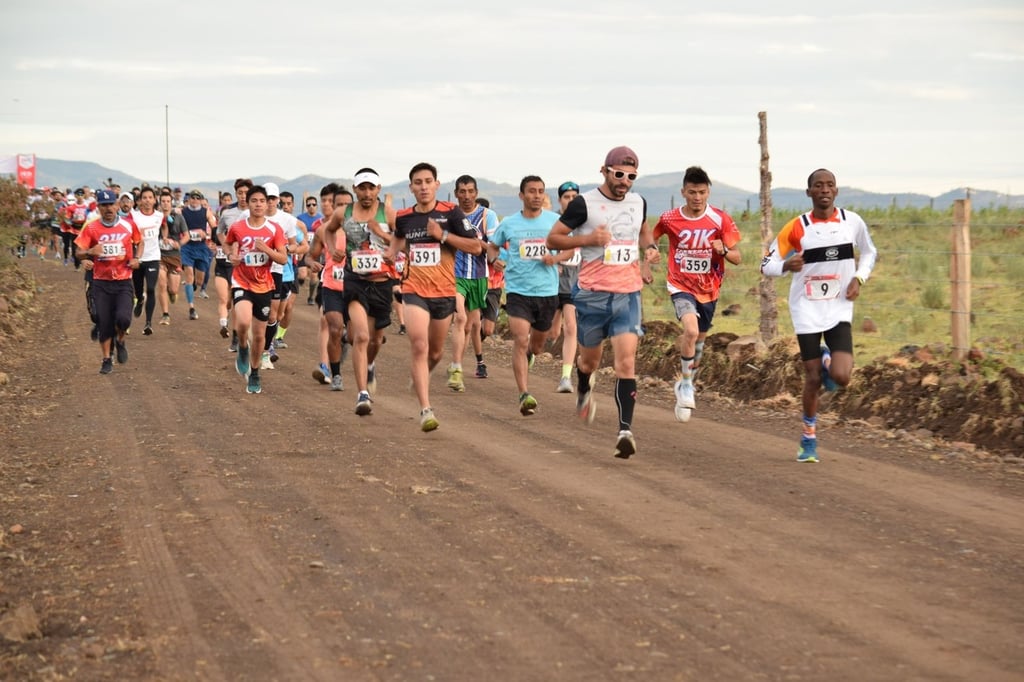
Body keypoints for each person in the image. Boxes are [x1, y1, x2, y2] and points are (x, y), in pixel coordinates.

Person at [546, 146, 659, 459]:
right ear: (605, 171)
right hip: (592, 295)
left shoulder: (639, 202)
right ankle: (584, 385)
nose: (625, 181)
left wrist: (648, 249)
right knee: (590, 362)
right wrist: (587, 240)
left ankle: (625, 431)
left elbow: (644, 230)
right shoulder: (584, 203)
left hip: (628, 294)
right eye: (619, 174)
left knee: (626, 363)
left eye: (631, 176)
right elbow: (553, 239)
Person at [761, 168, 877, 462]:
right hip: (806, 308)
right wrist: (787, 266)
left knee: (841, 377)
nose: (824, 190)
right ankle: (808, 438)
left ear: (836, 191)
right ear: (809, 192)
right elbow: (766, 264)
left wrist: (858, 278)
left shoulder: (852, 222)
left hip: (838, 307)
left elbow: (869, 252)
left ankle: (828, 358)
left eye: (830, 185)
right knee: (812, 378)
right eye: (818, 186)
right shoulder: (796, 228)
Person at [384, 162, 482, 432]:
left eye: (428, 181)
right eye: (418, 182)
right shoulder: (404, 217)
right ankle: (426, 409)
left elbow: (475, 246)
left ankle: (421, 376)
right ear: (411, 187)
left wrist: (444, 235)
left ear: (437, 185)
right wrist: (389, 253)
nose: (423, 186)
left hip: (444, 291)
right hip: (414, 289)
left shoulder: (450, 213)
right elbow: (397, 242)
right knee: (419, 344)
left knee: (436, 352)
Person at [652, 166, 742, 422]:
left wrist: (723, 250)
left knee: (699, 341)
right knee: (690, 332)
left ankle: (683, 382)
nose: (697, 197)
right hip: (680, 285)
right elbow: (651, 236)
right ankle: (688, 385)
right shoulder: (670, 218)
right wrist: (650, 252)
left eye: (702, 192)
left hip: (709, 288)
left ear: (708, 192)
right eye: (692, 192)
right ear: (683, 192)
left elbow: (737, 257)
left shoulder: (720, 219)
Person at [320, 168, 397, 412]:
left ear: (378, 189)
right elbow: (328, 230)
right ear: (355, 189)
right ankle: (362, 394)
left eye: (371, 187)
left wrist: (382, 235)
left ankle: (370, 364)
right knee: (361, 336)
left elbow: (401, 240)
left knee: (376, 339)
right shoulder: (345, 212)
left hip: (382, 282)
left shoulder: (389, 213)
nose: (366, 192)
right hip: (355, 282)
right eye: (362, 187)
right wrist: (333, 250)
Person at [487, 176, 560, 415]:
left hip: (548, 292)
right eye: (531, 191)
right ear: (522, 195)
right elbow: (492, 246)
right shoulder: (509, 223)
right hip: (518, 292)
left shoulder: (555, 221)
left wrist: (556, 258)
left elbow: (570, 249)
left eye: (540, 191)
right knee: (520, 339)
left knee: (537, 346)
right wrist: (494, 259)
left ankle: (530, 355)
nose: (537, 195)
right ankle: (524, 394)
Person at [224, 185, 288, 394]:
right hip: (242, 281)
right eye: (254, 201)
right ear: (248, 204)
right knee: (242, 321)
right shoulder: (238, 227)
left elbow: (283, 258)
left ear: (268, 203)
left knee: (260, 336)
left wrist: (266, 249)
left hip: (264, 285)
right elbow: (228, 245)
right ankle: (242, 346)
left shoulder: (274, 229)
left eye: (262, 201)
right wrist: (231, 256)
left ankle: (254, 372)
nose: (259, 204)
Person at [74, 189, 141, 374]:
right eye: (104, 205)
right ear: (98, 207)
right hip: (101, 282)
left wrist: (137, 259)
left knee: (123, 319)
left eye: (111, 204)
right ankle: (106, 359)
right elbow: (78, 251)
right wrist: (89, 253)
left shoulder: (128, 225)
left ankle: (120, 340)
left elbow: (139, 241)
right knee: (104, 321)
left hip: (123, 281)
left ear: (117, 205)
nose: (108, 208)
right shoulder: (91, 228)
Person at [448, 174, 495, 389]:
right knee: (459, 318)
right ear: (456, 193)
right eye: (462, 192)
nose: (466, 196)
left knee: (470, 326)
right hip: (454, 275)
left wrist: (475, 243)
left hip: (479, 276)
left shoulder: (488, 216)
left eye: (470, 192)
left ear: (476, 193)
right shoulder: (449, 214)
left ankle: (456, 363)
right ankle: (456, 368)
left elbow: (494, 247)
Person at [213, 178, 253, 348]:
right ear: (236, 193)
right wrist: (227, 248)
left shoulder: (257, 212)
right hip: (227, 262)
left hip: (247, 266)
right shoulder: (227, 212)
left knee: (237, 301)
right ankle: (226, 324)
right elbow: (219, 232)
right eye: (240, 193)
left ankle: (236, 336)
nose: (243, 196)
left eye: (246, 193)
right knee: (226, 299)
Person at [550, 181, 581, 393]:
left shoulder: (584, 223)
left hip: (574, 285)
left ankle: (566, 377)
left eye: (574, 197)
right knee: (550, 332)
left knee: (571, 327)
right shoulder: (552, 222)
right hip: (551, 285)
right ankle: (531, 353)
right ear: (560, 200)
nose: (570, 200)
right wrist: (555, 260)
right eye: (566, 197)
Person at [130, 187, 165, 335]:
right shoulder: (134, 216)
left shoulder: (159, 215)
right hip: (138, 258)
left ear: (154, 200)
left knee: (151, 288)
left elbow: (165, 226)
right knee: (138, 289)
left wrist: (166, 237)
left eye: (150, 197)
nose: (147, 200)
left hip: (153, 257)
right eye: (144, 198)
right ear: (139, 200)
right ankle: (139, 299)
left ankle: (148, 323)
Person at [180, 189, 216, 320]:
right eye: (192, 198)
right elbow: (175, 224)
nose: (194, 200)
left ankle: (194, 285)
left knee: (199, 281)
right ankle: (191, 308)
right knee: (189, 277)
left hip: (201, 247)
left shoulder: (206, 212)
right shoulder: (182, 211)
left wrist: (207, 236)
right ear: (188, 199)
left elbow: (214, 227)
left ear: (201, 200)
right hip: (187, 247)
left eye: (197, 198)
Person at [156, 191, 186, 325]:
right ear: (160, 202)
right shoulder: (155, 217)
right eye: (163, 201)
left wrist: (178, 243)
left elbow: (187, 235)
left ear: (171, 202)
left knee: (173, 289)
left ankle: (172, 292)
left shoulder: (178, 217)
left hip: (174, 256)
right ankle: (165, 315)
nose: (165, 204)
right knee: (161, 284)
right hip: (159, 255)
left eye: (168, 201)